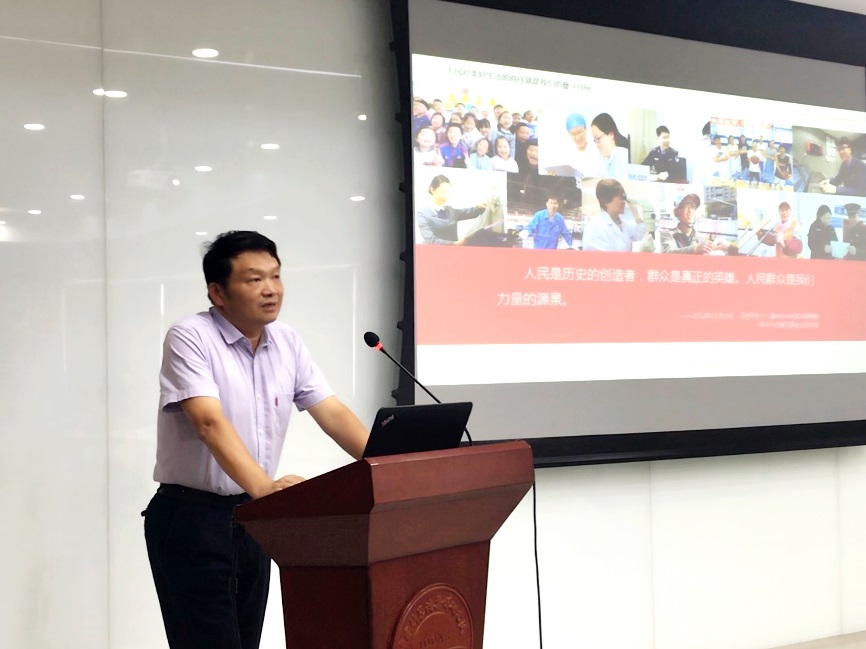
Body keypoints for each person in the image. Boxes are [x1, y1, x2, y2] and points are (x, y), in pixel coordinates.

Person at [144, 231, 370, 649]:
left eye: (276, 276)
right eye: (254, 279)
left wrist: (385, 466)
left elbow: (332, 412)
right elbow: (208, 422)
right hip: (193, 519)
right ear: (218, 293)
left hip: (255, 519)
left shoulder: (286, 340)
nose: (271, 289)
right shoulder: (190, 336)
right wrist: (266, 489)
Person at [416, 174, 487, 245]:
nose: (446, 197)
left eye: (448, 193)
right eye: (443, 192)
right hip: (434, 251)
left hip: (454, 251)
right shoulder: (423, 214)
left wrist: (479, 207)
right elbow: (430, 240)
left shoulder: (450, 210)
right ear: (432, 190)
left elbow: (469, 212)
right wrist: (454, 244)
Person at [582, 178, 646, 251]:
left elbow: (641, 235)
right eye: (621, 197)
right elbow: (599, 257)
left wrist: (636, 213)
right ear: (606, 201)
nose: (624, 202)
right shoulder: (595, 227)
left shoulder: (623, 224)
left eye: (624, 198)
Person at [590, 113, 629, 180]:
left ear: (611, 134)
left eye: (598, 138)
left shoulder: (622, 155)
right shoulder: (602, 157)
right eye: (595, 140)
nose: (596, 145)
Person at [564, 112, 601, 179]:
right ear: (569, 134)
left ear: (585, 129)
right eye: (573, 134)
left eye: (579, 132)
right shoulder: (567, 155)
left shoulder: (597, 150)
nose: (577, 138)